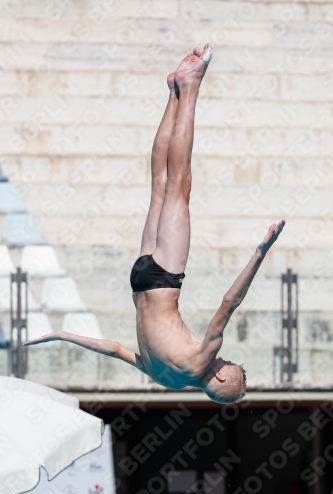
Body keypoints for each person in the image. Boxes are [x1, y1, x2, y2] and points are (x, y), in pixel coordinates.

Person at [24, 44, 285, 404]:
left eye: (228, 362)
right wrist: (62, 334)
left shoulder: (202, 360)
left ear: (221, 374)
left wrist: (260, 252)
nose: (223, 357)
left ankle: (190, 86)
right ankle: (175, 91)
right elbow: (115, 349)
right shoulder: (168, 380)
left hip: (164, 277)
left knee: (179, 182)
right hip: (140, 278)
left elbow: (229, 303)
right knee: (160, 184)